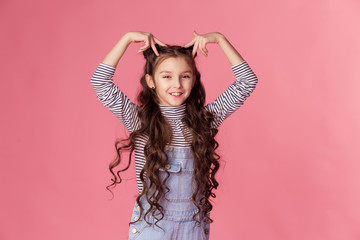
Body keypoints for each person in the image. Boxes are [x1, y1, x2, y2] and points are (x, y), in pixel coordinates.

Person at [90, 30, 258, 240]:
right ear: (151, 81)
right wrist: (127, 38)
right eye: (167, 76)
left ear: (194, 80)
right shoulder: (139, 121)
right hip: (153, 226)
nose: (177, 84)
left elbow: (246, 82)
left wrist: (221, 40)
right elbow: (101, 83)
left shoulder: (205, 121)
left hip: (193, 227)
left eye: (185, 76)